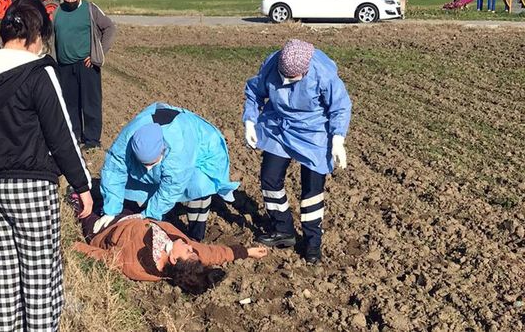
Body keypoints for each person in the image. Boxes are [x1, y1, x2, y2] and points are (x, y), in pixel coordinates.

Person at [0, 0, 93, 331]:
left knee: (4, 275)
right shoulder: (40, 72)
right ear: (33, 38)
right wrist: (82, 186)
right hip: (31, 187)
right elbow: (62, 134)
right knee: (40, 278)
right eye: (42, 41)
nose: (43, 48)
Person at [243, 39, 352, 265]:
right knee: (269, 178)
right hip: (279, 125)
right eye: (282, 77)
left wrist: (338, 140)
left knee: (312, 189)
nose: (285, 82)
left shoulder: (323, 74)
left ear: (305, 70)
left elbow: (340, 106)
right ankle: (283, 229)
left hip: (313, 131)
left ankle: (313, 242)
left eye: (292, 79)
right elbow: (254, 92)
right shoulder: (272, 65)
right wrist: (250, 121)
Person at [97, 103, 240, 241]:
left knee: (199, 186)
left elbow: (172, 187)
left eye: (152, 163)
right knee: (143, 177)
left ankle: (196, 234)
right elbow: (113, 171)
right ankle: (153, 214)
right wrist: (111, 210)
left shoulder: (178, 150)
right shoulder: (128, 138)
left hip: (203, 148)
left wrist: (150, 214)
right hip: (163, 146)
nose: (148, 168)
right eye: (144, 164)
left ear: (163, 149)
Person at [72, 204, 268, 294]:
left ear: (174, 259)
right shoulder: (178, 248)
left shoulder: (136, 264)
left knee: (83, 207)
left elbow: (103, 257)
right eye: (192, 249)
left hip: (103, 229)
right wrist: (246, 252)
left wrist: (74, 246)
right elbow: (211, 254)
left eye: (188, 251)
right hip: (132, 215)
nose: (190, 245)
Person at [52, 0, 117, 150]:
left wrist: (98, 54)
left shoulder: (90, 9)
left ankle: (92, 140)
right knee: (70, 104)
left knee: (90, 103)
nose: (70, 1)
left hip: (86, 65)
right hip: (64, 66)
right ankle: (74, 137)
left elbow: (109, 28)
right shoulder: (57, 12)